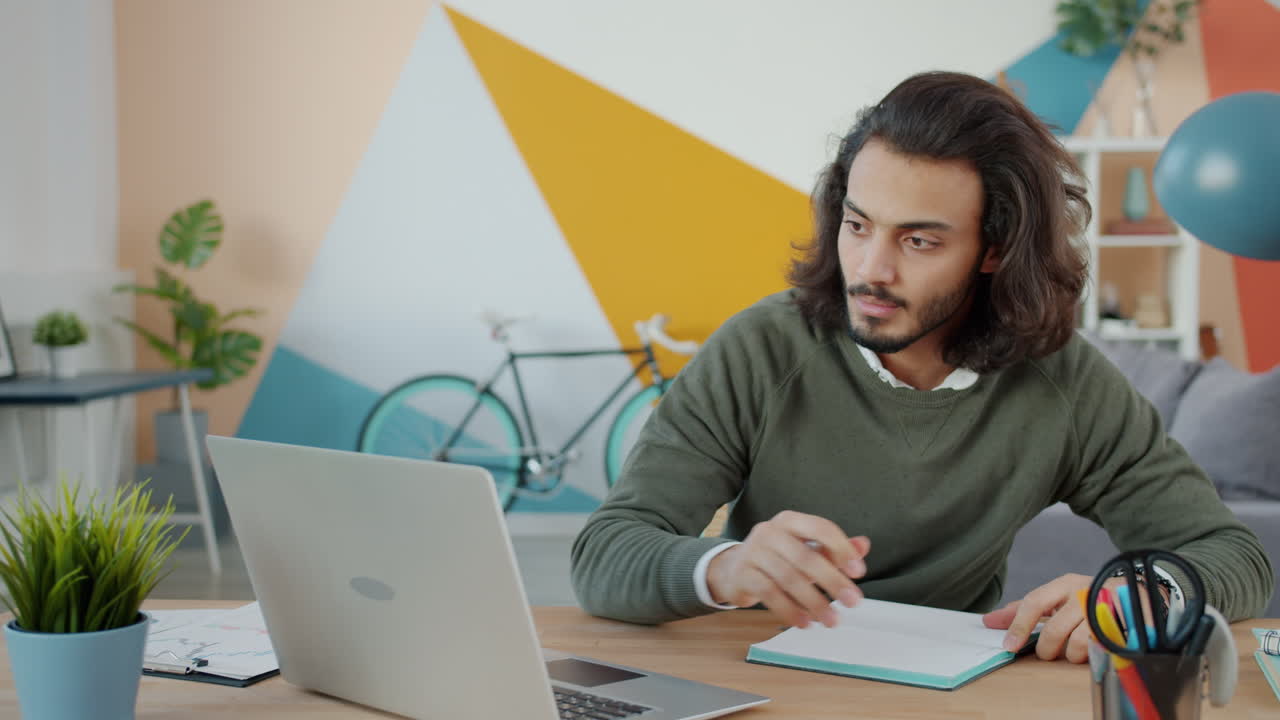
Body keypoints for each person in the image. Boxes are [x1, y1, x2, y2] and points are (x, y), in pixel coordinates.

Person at [570, 71, 1273, 663]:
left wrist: (1134, 600)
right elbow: (604, 556)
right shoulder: (760, 350)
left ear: (994, 250)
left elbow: (1236, 558)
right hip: (767, 677)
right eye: (857, 224)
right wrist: (725, 567)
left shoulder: (1066, 385)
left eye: (918, 240)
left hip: (954, 693)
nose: (871, 270)